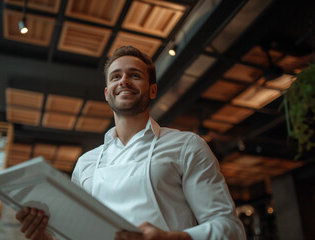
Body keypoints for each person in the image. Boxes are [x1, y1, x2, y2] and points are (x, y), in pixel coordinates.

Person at [16, 46, 246, 240]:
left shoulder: (187, 146)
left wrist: (169, 238)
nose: (124, 80)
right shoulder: (86, 163)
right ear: (107, 93)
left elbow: (230, 229)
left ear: (153, 90)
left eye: (134, 75)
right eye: (116, 76)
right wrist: (44, 237)